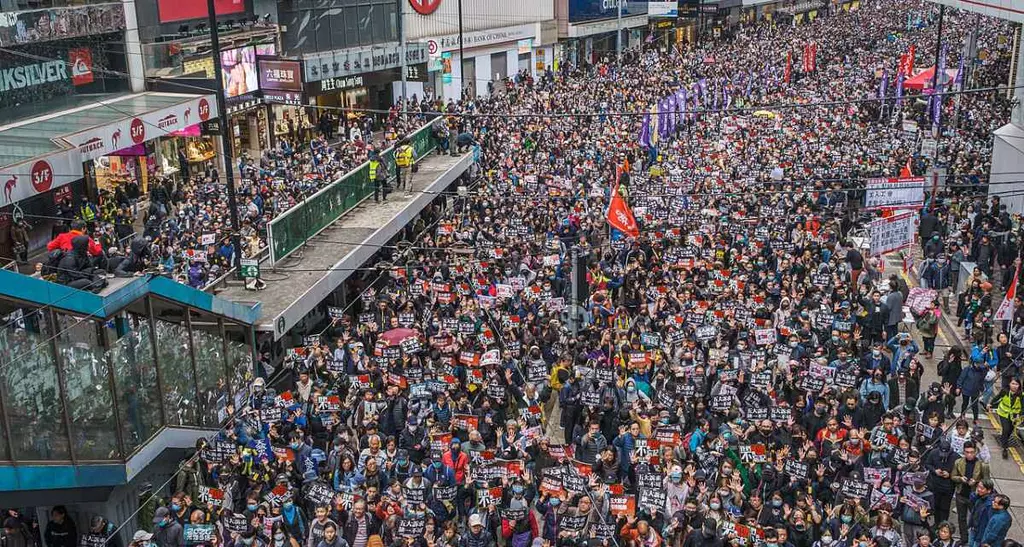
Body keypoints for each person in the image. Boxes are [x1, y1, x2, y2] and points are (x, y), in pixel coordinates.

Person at [989, 378, 1022, 459]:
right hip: (1003, 413)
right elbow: (997, 397)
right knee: (1006, 429)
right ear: (1009, 384)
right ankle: (1005, 448)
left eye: (1016, 384)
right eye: (1013, 384)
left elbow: (1023, 407)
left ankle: (1005, 440)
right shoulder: (1004, 391)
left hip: (1014, 417)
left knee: (1010, 430)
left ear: (1019, 386)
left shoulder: (1021, 395)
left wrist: (1019, 414)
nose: (1014, 386)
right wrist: (990, 404)